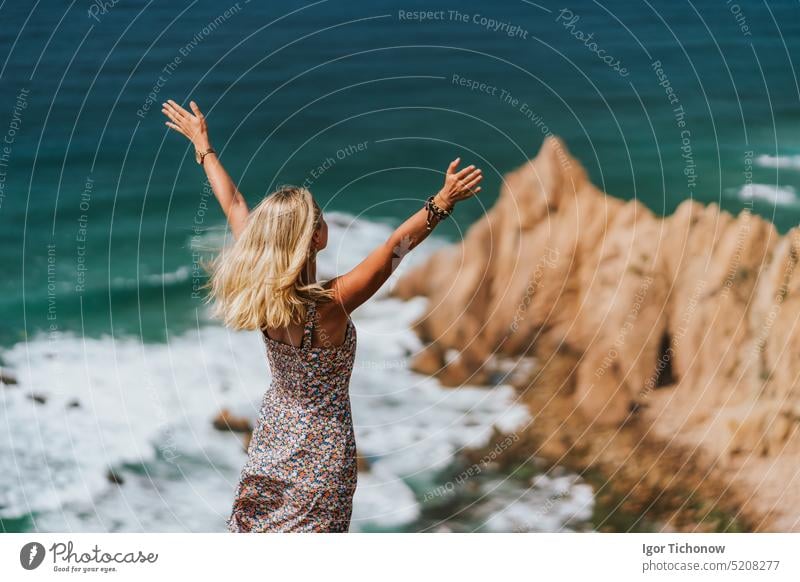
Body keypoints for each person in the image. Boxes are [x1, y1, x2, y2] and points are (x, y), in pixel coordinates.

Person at [161, 99, 483, 532]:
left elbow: (236, 205)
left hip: (272, 443)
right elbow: (394, 248)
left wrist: (204, 147)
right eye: (319, 216)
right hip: (323, 456)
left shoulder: (263, 289)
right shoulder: (330, 305)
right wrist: (443, 201)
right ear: (314, 238)